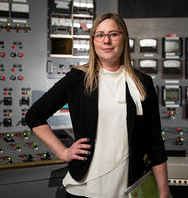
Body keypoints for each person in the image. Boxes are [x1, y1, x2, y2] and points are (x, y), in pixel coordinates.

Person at [25, 13, 170, 198]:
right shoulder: (77, 79)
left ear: (124, 38)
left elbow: (154, 141)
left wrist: (163, 191)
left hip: (129, 188)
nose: (106, 40)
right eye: (100, 35)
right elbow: (34, 115)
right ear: (93, 41)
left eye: (113, 34)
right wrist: (63, 151)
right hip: (84, 188)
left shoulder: (143, 82)